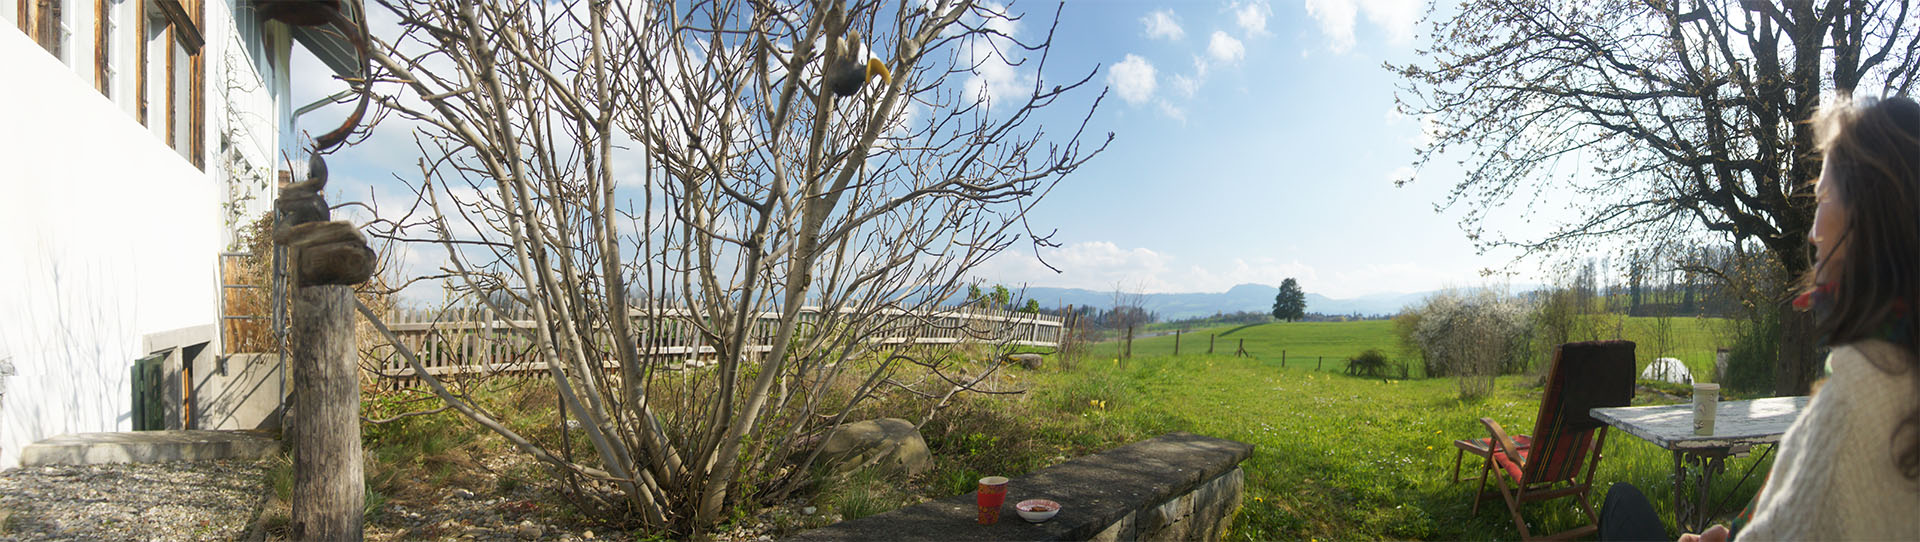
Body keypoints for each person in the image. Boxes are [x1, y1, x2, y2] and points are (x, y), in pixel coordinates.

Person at [1601, 95, 1920, 541]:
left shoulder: (1856, 406)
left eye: (1823, 197)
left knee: (1621, 503)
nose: (1811, 232)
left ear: (1871, 216)